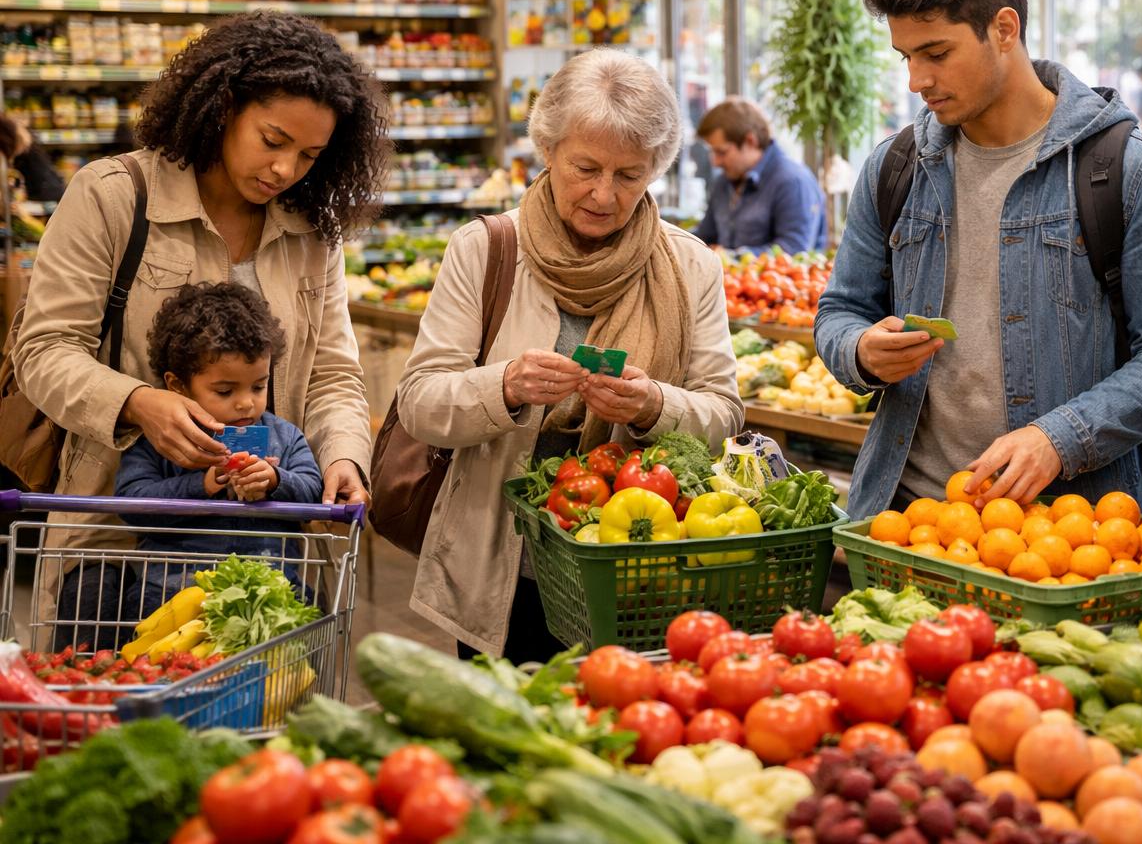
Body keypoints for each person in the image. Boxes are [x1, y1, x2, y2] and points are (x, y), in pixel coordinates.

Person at [815, 0, 1142, 519]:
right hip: (908, 517)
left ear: (1004, 28)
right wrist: (861, 350)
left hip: (1077, 529)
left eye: (936, 54)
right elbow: (839, 310)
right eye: (906, 57)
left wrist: (1060, 438)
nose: (917, 81)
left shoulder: (1132, 172)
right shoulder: (895, 167)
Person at [11, 10, 385, 633]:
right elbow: (45, 350)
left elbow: (332, 374)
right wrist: (139, 403)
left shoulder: (312, 232)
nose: (286, 169)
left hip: (266, 554)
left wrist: (344, 456)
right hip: (117, 548)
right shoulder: (114, 196)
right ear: (223, 107)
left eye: (310, 155)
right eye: (272, 140)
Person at [396, 48, 744, 662]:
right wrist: (505, 386)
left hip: (635, 573)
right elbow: (420, 403)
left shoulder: (691, 266)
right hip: (501, 577)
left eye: (629, 175)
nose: (604, 194)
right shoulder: (485, 251)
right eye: (585, 167)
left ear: (656, 169)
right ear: (547, 149)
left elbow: (724, 413)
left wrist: (652, 405)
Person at [115, 282, 322, 606]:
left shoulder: (285, 436)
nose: (246, 403)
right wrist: (204, 484)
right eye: (225, 391)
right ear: (178, 385)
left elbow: (312, 491)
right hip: (170, 594)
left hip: (270, 593)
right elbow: (131, 504)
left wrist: (274, 480)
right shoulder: (160, 440)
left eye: (258, 386)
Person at [694, 97, 827, 254]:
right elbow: (705, 235)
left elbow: (794, 250)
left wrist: (730, 257)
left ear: (751, 141)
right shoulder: (724, 181)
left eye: (721, 152)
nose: (715, 162)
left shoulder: (793, 182)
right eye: (712, 152)